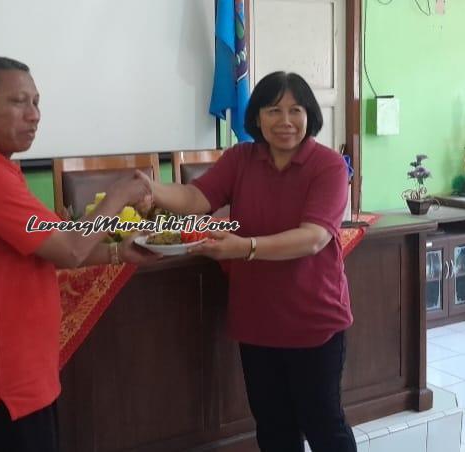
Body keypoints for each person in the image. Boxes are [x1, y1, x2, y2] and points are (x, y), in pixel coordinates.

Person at [0, 56, 156, 452]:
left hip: (10, 372)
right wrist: (118, 196)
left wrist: (119, 250)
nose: (34, 116)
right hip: (0, 385)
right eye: (19, 102)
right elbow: (69, 250)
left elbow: (50, 244)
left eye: (37, 103)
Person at [137, 71, 356, 452]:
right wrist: (152, 190)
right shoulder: (241, 158)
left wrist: (247, 248)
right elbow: (196, 198)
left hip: (313, 320)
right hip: (257, 320)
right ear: (256, 117)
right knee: (273, 427)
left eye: (295, 110)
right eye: (273, 110)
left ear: (310, 115)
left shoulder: (329, 166)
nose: (285, 121)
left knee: (323, 423)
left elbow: (314, 237)